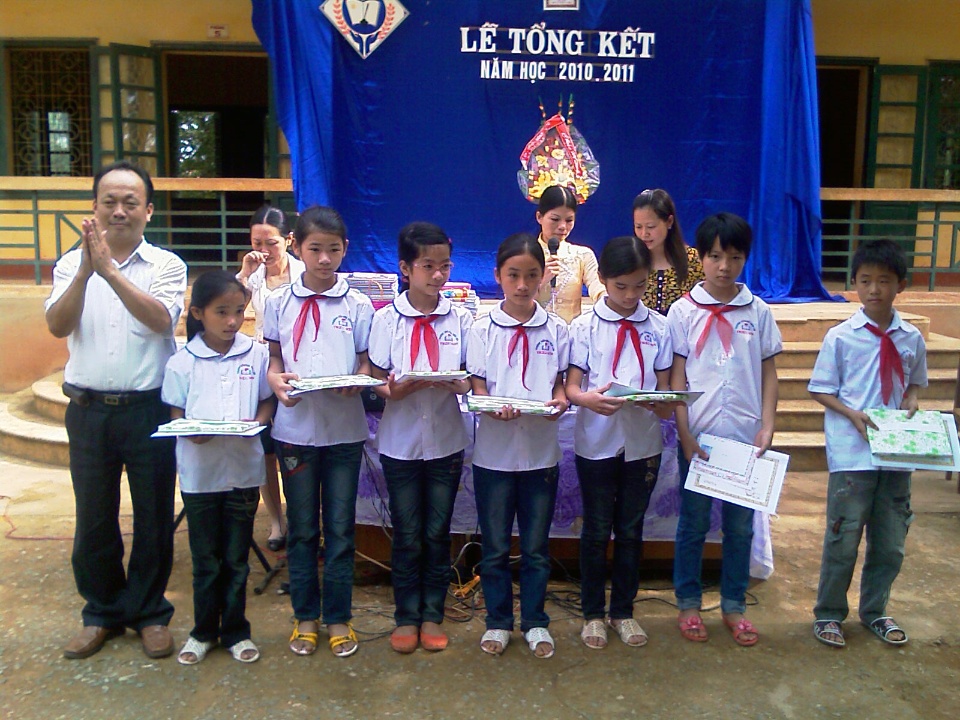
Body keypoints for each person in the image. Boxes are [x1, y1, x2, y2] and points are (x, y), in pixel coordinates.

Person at [45, 161, 185, 660]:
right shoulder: (69, 265)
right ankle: (101, 611)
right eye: (109, 201)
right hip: (88, 411)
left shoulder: (167, 265)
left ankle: (149, 613)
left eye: (130, 202)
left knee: (153, 515)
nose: (119, 211)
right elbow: (58, 326)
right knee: (94, 517)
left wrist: (110, 271)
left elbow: (158, 322)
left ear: (149, 210)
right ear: (94, 208)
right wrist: (87, 272)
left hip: (148, 410)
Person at [264, 205, 373, 658]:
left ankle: (339, 617)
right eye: (315, 249)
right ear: (296, 248)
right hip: (295, 431)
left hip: (344, 431)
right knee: (304, 529)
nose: (325, 259)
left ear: (345, 249)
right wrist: (276, 381)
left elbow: (367, 362)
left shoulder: (358, 304)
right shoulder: (278, 302)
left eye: (333, 249)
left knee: (341, 529)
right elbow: (274, 360)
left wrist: (358, 380)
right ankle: (305, 616)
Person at [667, 212, 781, 647]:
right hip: (699, 437)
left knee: (740, 527)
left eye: (734, 257)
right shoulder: (683, 311)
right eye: (715, 256)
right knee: (693, 524)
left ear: (745, 258)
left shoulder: (757, 311)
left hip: (745, 438)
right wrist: (685, 434)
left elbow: (768, 372)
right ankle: (688, 603)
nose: (724, 266)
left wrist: (767, 426)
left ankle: (734, 605)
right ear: (701, 257)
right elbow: (677, 377)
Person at [808, 239, 927, 648]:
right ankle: (828, 613)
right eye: (865, 280)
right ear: (854, 284)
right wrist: (851, 414)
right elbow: (820, 389)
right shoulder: (841, 337)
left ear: (901, 285)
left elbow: (915, 382)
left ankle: (875, 610)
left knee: (891, 543)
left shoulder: (911, 337)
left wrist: (912, 400)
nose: (874, 289)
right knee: (843, 538)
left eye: (884, 280)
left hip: (896, 455)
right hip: (852, 455)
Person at [565, 236, 675, 650]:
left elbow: (665, 390)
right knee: (596, 529)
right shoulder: (584, 327)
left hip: (642, 443)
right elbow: (572, 387)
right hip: (596, 440)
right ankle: (593, 614)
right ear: (604, 281)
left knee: (630, 529)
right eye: (621, 286)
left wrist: (658, 401)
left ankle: (624, 612)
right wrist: (587, 399)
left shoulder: (659, 327)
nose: (630, 296)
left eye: (640, 286)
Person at [368, 222, 473, 653]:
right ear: (405, 268)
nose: (438, 275)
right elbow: (375, 377)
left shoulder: (462, 319)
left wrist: (459, 383)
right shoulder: (385, 320)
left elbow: (472, 377)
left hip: (446, 440)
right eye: (428, 266)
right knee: (408, 531)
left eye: (444, 265)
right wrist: (391, 390)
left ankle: (433, 612)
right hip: (401, 442)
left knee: (437, 531)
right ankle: (406, 615)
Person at [161, 271, 274, 665]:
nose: (232, 321)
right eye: (221, 312)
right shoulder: (182, 362)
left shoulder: (256, 354)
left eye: (239, 311)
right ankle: (203, 631)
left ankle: (237, 631)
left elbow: (266, 400)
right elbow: (176, 412)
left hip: (243, 472)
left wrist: (257, 423)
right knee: (206, 559)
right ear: (198, 313)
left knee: (237, 559)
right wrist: (190, 432)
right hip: (200, 475)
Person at [467, 233, 570, 659]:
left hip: (540, 454)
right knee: (494, 547)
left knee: (535, 547)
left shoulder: (557, 329)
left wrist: (559, 402)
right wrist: (490, 407)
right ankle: (497, 621)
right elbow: (477, 386)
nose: (523, 285)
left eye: (531, 275)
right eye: (513, 275)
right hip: (493, 456)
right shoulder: (481, 329)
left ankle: (535, 621)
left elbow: (561, 385)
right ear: (498, 276)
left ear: (544, 276)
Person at [236, 205, 305, 551]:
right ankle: (277, 521)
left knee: (298, 446)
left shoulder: (304, 272)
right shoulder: (253, 275)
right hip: (264, 364)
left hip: (299, 364)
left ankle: (304, 517)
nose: (263, 251)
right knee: (265, 449)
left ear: (289, 240)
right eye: (256, 243)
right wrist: (244, 275)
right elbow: (232, 311)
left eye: (271, 243)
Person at [534, 185, 605, 323]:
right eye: (555, 219)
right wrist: (541, 281)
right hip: (535, 331)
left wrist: (608, 300)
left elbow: (598, 288)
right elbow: (514, 301)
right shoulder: (525, 255)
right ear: (539, 217)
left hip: (572, 332)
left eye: (569, 220)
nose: (562, 226)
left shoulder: (583, 255)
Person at [632, 188, 704, 315]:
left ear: (669, 222)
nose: (644, 234)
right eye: (638, 227)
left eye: (651, 227)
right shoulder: (631, 259)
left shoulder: (692, 260)